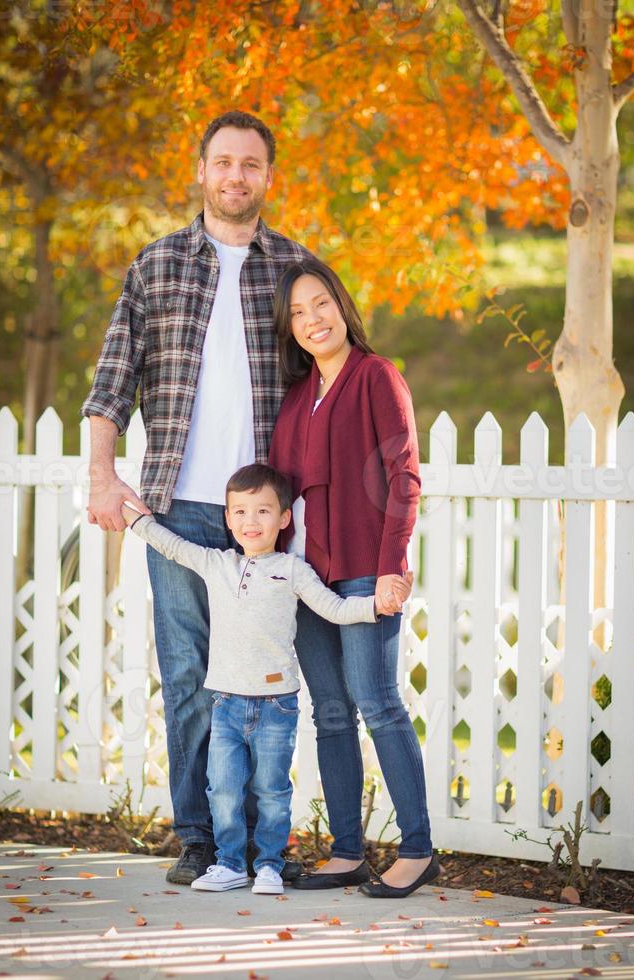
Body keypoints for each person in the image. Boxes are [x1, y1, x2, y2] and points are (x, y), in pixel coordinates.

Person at [81, 110, 314, 885]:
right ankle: (201, 841)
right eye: (224, 161)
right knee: (187, 676)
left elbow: (329, 382)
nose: (236, 176)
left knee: (265, 676)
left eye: (251, 164)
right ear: (202, 169)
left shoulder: (296, 270)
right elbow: (111, 384)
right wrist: (102, 477)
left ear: (268, 177)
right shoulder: (157, 265)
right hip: (176, 506)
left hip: (263, 518)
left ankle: (258, 844)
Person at [120, 464, 411, 895]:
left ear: (284, 518)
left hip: (275, 704)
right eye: (239, 512)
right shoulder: (216, 563)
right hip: (226, 704)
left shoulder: (293, 570)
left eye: (262, 511)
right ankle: (230, 863)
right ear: (228, 518)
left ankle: (270, 864)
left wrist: (374, 607)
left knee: (272, 790)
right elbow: (172, 545)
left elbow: (332, 608)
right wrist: (135, 519)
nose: (250, 522)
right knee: (222, 789)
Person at [269, 257, 439, 899]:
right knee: (331, 713)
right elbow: (282, 491)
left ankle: (418, 849)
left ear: (341, 305)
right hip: (309, 578)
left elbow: (405, 476)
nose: (313, 320)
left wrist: (394, 564)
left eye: (321, 304)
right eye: (298, 313)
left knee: (378, 703)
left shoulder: (377, 377)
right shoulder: (294, 399)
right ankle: (347, 851)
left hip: (366, 570)